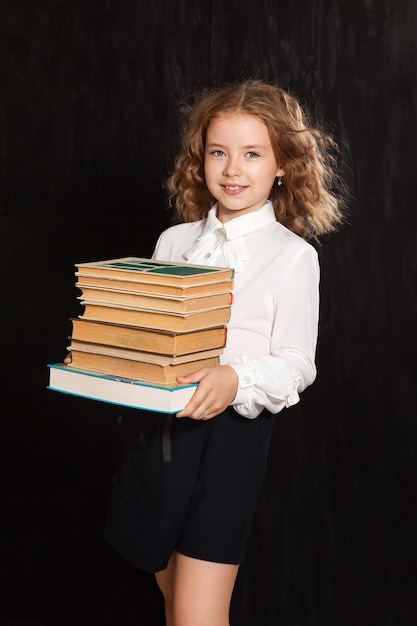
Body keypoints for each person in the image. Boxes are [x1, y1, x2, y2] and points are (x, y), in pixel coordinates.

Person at [67, 79, 344, 626]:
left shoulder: (293, 257)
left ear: (283, 163)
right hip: (158, 437)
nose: (233, 169)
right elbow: (148, 336)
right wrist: (106, 358)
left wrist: (233, 378)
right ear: (201, 159)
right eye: (219, 152)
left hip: (227, 448)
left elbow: (297, 362)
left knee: (198, 616)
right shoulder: (174, 242)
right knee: (175, 602)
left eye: (251, 154)